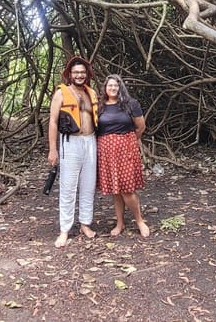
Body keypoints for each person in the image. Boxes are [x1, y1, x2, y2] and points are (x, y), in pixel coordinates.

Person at [48, 56, 99, 248]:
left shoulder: (90, 93)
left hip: (90, 141)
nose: (79, 75)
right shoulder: (62, 93)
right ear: (70, 74)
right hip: (70, 142)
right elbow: (53, 121)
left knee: (88, 185)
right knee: (68, 186)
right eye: (76, 72)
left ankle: (85, 223)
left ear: (87, 75)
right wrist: (53, 149)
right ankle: (65, 230)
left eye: (82, 72)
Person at [95, 74, 150, 237]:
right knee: (116, 189)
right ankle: (120, 223)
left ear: (120, 87)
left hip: (126, 150)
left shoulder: (130, 104)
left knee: (127, 188)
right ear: (105, 88)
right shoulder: (100, 106)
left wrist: (127, 143)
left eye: (116, 85)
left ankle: (140, 221)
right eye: (110, 85)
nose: (113, 88)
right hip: (106, 151)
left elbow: (140, 127)